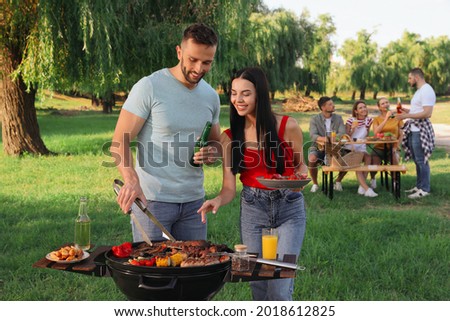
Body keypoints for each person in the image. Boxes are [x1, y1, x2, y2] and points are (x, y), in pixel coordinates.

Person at [197, 67, 308, 301]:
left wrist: (299, 180)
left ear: (259, 94)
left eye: (245, 93)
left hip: (289, 207)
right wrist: (217, 199)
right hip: (253, 208)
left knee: (279, 283)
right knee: (257, 281)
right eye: (234, 93)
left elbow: (301, 165)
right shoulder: (229, 137)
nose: (238, 99)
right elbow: (229, 187)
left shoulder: (287, 126)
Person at [111, 23, 221, 241]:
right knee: (153, 272)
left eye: (206, 62)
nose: (199, 69)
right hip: (153, 201)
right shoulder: (149, 87)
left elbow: (216, 144)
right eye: (193, 59)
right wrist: (131, 180)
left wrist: (211, 154)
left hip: (194, 204)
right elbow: (119, 140)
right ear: (179, 52)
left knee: (194, 271)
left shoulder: (211, 96)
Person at [396, 67, 435, 199]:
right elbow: (417, 109)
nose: (409, 81)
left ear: (416, 77)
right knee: (416, 160)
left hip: (420, 130)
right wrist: (405, 111)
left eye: (410, 78)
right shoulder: (420, 91)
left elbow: (427, 113)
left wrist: (406, 117)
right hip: (413, 129)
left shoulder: (427, 90)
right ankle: (419, 186)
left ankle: (425, 189)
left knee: (421, 160)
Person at [336, 100, 376, 197]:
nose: (363, 109)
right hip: (350, 148)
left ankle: (362, 186)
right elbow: (346, 137)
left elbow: (366, 134)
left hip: (361, 147)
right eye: (360, 108)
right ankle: (366, 189)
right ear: (356, 111)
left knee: (368, 158)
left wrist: (368, 139)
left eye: (364, 107)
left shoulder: (369, 120)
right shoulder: (350, 120)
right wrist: (353, 128)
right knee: (355, 162)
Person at [308, 96, 345, 192]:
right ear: (323, 107)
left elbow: (342, 133)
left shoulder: (338, 118)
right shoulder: (314, 119)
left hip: (335, 146)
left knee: (349, 158)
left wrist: (333, 139)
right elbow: (313, 135)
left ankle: (338, 181)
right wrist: (327, 139)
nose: (333, 106)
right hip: (319, 147)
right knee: (312, 159)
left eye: (332, 104)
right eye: (330, 104)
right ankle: (315, 184)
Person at [369, 97, 404, 188]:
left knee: (394, 160)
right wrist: (386, 119)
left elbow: (401, 134)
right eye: (383, 103)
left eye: (387, 102)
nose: (386, 105)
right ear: (379, 107)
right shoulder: (376, 119)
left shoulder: (397, 118)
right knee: (373, 164)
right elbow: (376, 132)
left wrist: (396, 147)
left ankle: (395, 181)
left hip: (393, 146)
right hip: (379, 147)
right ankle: (372, 178)